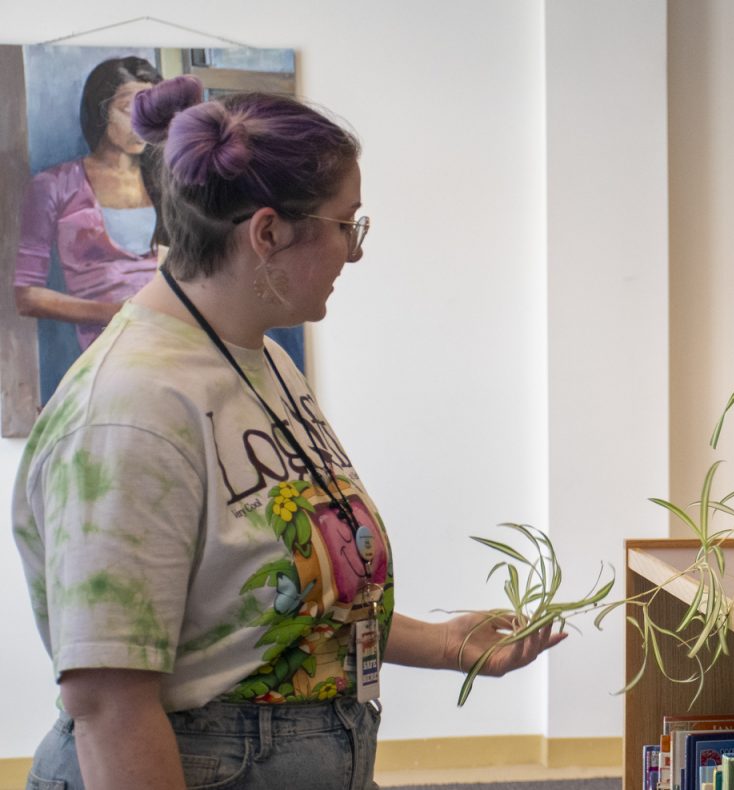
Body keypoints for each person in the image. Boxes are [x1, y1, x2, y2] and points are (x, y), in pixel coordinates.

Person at [12, 74, 564, 789]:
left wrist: (449, 644)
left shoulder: (260, 357)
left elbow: (264, 598)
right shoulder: (131, 409)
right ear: (267, 232)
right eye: (347, 224)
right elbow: (109, 704)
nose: (356, 252)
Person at [13, 55, 164, 352]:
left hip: (169, 338)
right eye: (127, 110)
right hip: (102, 351)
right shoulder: (55, 185)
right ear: (101, 111)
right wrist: (118, 313)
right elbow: (27, 296)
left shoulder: (163, 184)